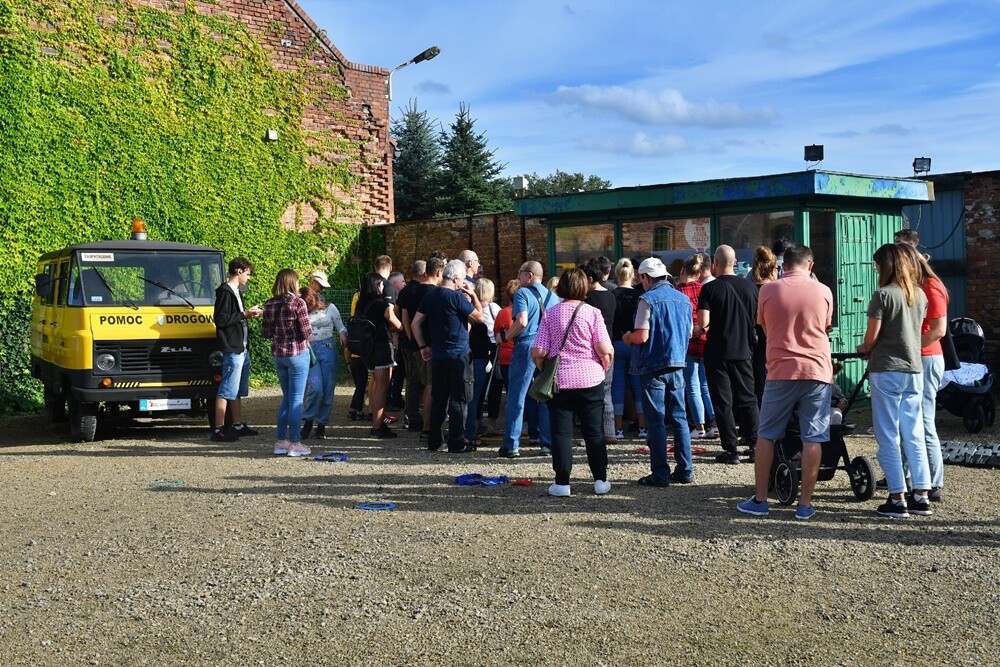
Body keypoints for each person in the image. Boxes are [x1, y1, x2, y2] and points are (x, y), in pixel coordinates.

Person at [736, 245, 834, 520]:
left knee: (766, 434)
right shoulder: (824, 291)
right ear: (810, 265)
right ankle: (805, 504)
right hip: (816, 370)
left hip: (780, 370)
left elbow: (766, 328)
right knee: (813, 437)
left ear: (783, 264)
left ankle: (761, 499)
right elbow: (825, 327)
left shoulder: (767, 290)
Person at [857, 243, 932, 519]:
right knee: (913, 433)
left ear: (886, 266)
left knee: (887, 434)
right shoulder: (920, 296)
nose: (876, 269)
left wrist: (863, 348)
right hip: (913, 369)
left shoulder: (882, 296)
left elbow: (871, 338)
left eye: (878, 265)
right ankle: (921, 494)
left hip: (886, 369)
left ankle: (897, 496)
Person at [531, 268, 614, 497]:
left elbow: (539, 350)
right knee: (594, 432)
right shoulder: (593, 313)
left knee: (561, 434)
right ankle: (600, 480)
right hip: (590, 379)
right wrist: (604, 364)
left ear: (561, 288)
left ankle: (562, 483)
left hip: (560, 381)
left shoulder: (551, 314)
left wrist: (543, 368)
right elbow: (605, 349)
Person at [622, 258, 693, 486]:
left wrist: (627, 338)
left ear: (645, 277)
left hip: (652, 365)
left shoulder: (647, 299)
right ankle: (685, 469)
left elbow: (641, 335)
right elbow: (690, 332)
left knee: (656, 422)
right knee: (680, 419)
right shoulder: (684, 300)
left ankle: (660, 473)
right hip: (677, 363)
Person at [412, 259, 484, 453]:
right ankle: (456, 442)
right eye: (461, 280)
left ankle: (435, 441)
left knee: (439, 398)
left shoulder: (430, 296)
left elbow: (415, 323)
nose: (462, 283)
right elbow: (480, 317)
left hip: (438, 355)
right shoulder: (457, 297)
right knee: (459, 399)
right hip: (459, 355)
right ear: (456, 278)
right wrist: (473, 295)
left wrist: (423, 346)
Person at [696, 245, 760, 465]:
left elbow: (703, 323)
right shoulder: (751, 288)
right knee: (748, 398)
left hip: (718, 351)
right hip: (744, 350)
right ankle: (755, 446)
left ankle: (731, 450)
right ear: (734, 262)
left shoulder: (710, 289)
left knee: (723, 401)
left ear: (715, 263)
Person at [901, 242, 949, 502]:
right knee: (911, 420)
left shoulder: (931, 287)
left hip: (927, 358)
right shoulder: (919, 287)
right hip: (918, 357)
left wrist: (910, 348)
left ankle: (934, 480)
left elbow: (938, 330)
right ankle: (910, 475)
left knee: (925, 421)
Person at [497, 261, 556, 458]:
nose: (518, 276)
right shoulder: (554, 297)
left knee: (517, 395)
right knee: (545, 394)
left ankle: (512, 444)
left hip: (527, 346)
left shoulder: (523, 293)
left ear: (529, 276)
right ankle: (547, 444)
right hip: (548, 346)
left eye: (520, 273)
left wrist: (505, 337)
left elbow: (521, 321)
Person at [261, 269, 313, 457]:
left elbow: (266, 333)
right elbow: (307, 332)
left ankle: (280, 442)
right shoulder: (298, 303)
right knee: (297, 399)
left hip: (279, 354)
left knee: (287, 398)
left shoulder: (269, 304)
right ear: (293, 283)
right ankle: (295, 443)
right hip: (298, 353)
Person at [211, 257, 262, 442]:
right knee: (226, 389)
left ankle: (237, 424)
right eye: (247, 274)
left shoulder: (236, 291)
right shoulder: (225, 292)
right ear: (239, 271)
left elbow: (234, 317)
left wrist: (247, 314)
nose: (248, 278)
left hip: (241, 347)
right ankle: (218, 429)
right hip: (233, 348)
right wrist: (245, 314)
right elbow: (221, 319)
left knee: (236, 389)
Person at [674, 254, 717, 440]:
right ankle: (715, 425)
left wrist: (692, 331)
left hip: (687, 343)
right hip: (705, 340)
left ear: (682, 271)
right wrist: (702, 329)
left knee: (692, 386)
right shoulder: (705, 289)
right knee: (706, 385)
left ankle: (699, 426)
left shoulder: (676, 292)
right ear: (699, 273)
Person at [357, 273, 403, 438]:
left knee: (376, 385)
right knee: (382, 388)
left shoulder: (362, 304)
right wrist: (402, 327)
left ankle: (377, 423)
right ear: (376, 286)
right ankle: (377, 427)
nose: (384, 288)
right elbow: (392, 320)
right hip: (381, 346)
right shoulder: (380, 304)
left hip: (368, 349)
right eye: (382, 285)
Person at [300, 285, 347, 440]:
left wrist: (343, 335)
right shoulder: (301, 311)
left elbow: (341, 327)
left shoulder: (330, 308)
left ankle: (321, 424)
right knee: (315, 387)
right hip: (309, 351)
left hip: (327, 349)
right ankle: (308, 419)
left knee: (327, 388)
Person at [582, 258, 618, 443]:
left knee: (592, 396)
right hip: (608, 346)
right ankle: (610, 431)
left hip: (590, 350)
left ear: (589, 279)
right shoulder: (611, 295)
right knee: (607, 391)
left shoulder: (588, 300)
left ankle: (595, 433)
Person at [610, 259, 646, 439]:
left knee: (618, 385)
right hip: (636, 343)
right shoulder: (640, 296)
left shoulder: (612, 295)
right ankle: (642, 427)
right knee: (637, 385)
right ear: (633, 275)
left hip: (617, 343)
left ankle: (617, 428)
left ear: (616, 274)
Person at [463, 278, 501, 443]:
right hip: (478, 357)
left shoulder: (465, 312)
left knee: (468, 396)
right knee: (474, 396)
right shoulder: (478, 316)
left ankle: (468, 430)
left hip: (468, 356)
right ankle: (470, 433)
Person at [397, 260, 432, 432]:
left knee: (412, 381)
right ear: (426, 273)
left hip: (408, 342)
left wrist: (409, 338)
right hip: (423, 342)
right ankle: (426, 420)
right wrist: (419, 343)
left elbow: (403, 317)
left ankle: (412, 417)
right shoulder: (428, 291)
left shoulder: (405, 291)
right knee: (427, 381)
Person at [749, 246, 779, 410]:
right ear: (773, 270)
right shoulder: (777, 291)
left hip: (754, 344)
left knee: (759, 382)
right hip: (774, 342)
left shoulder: (751, 289)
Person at [492, 279, 520, 429]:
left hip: (505, 358)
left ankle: (512, 426)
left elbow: (497, 334)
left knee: (510, 393)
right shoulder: (526, 311)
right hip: (521, 356)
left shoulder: (503, 313)